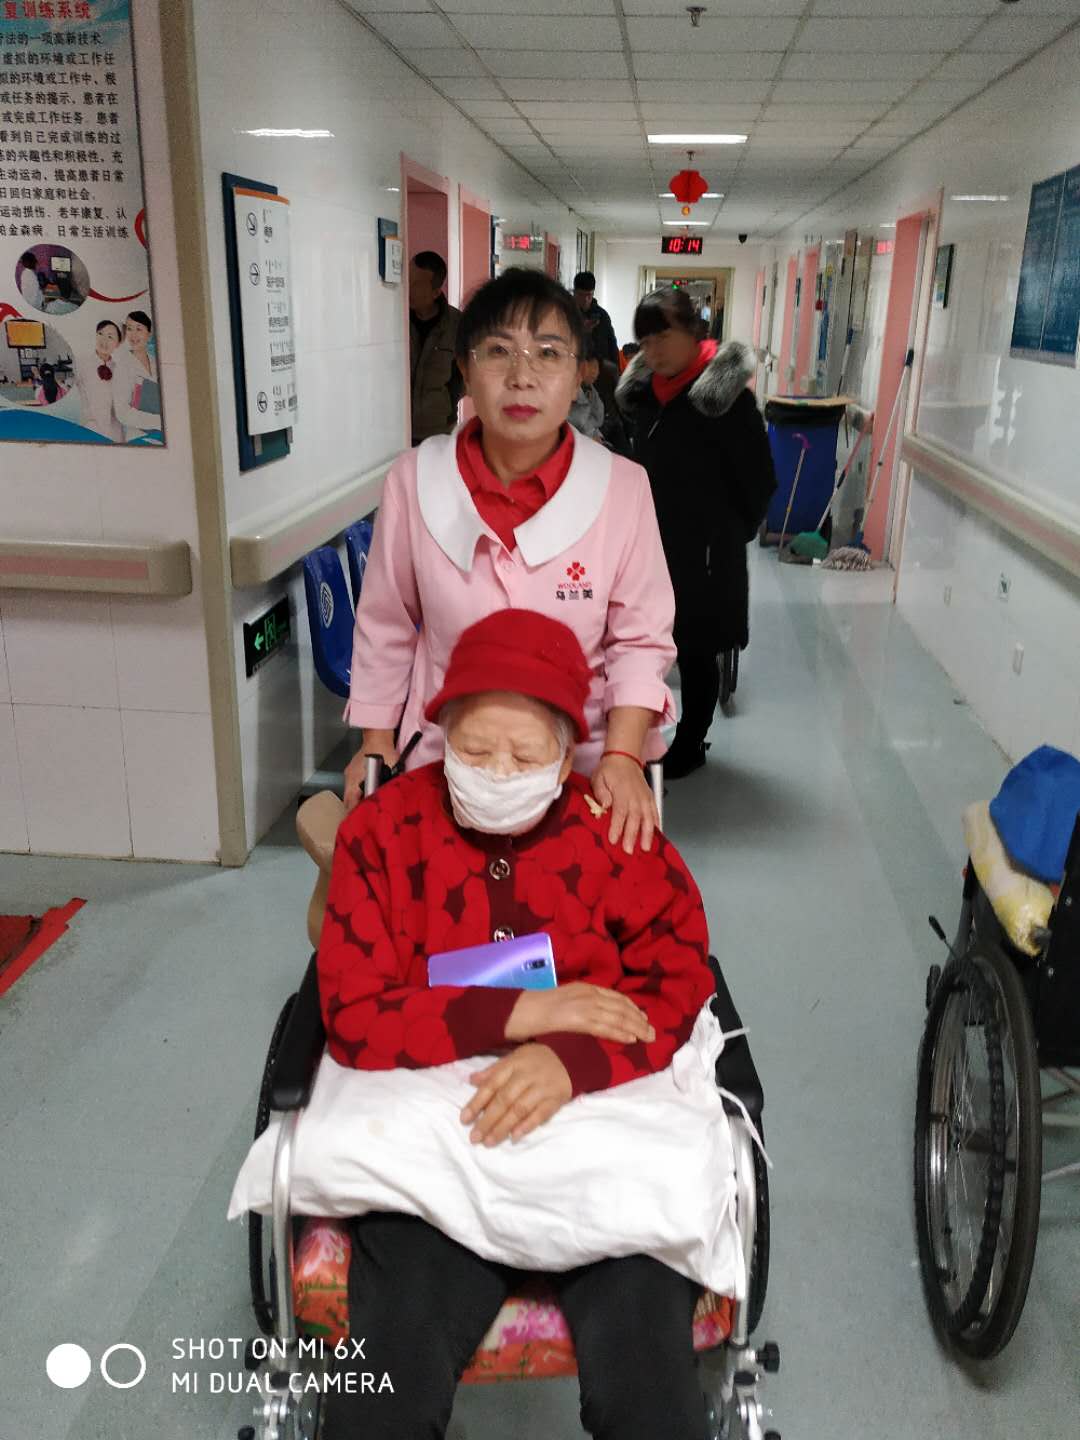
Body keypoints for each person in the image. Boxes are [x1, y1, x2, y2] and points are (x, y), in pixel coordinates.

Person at [318, 608, 716, 1440]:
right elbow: (354, 1009)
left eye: (526, 756)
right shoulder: (382, 836)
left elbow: (677, 977)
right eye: (474, 750)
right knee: (381, 1408)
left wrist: (571, 1061)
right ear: (442, 734)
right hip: (435, 1170)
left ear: (569, 754)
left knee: (651, 1406)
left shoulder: (614, 831)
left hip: (602, 1162)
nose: (499, 773)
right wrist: (524, 1010)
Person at [343, 267, 677, 854]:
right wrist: (374, 744)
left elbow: (640, 641)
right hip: (445, 764)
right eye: (498, 351)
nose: (522, 377)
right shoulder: (415, 479)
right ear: (465, 369)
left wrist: (624, 757)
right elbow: (385, 625)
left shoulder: (623, 488)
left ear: (580, 375)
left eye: (548, 353)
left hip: (586, 768)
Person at [617, 287, 776, 779]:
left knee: (696, 647)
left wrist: (722, 533)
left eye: (663, 336)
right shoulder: (646, 397)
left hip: (705, 551)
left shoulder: (727, 403)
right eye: (645, 340)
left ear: (693, 331)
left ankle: (691, 742)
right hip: (648, 545)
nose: (653, 350)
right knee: (643, 642)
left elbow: (760, 481)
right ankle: (635, 737)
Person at [409, 250, 464, 443]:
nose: (409, 289)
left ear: (435, 292)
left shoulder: (456, 325)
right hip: (396, 427)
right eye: (408, 280)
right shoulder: (397, 319)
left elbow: (466, 375)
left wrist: (447, 402)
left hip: (438, 429)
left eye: (416, 285)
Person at [111, 309, 161, 439]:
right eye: (129, 329)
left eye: (139, 329)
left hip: (162, 435)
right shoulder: (123, 366)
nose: (133, 335)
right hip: (138, 437)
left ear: (149, 334)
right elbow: (122, 413)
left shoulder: (157, 363)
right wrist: (159, 421)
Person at [75, 319, 124, 441]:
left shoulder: (120, 370)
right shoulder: (81, 363)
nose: (104, 340)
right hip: (89, 430)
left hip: (115, 434)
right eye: (100, 334)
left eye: (110, 337)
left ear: (118, 343)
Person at [572, 270, 618, 367]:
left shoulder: (602, 315)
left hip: (600, 367)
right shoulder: (566, 313)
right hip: (574, 365)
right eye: (581, 295)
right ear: (574, 292)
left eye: (589, 295)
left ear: (593, 293)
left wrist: (616, 369)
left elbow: (612, 345)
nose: (585, 300)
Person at [567, 341, 605, 440]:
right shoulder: (568, 390)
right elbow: (574, 424)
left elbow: (598, 420)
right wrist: (591, 438)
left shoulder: (590, 390)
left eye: (598, 369)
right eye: (593, 367)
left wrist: (598, 437)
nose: (596, 373)